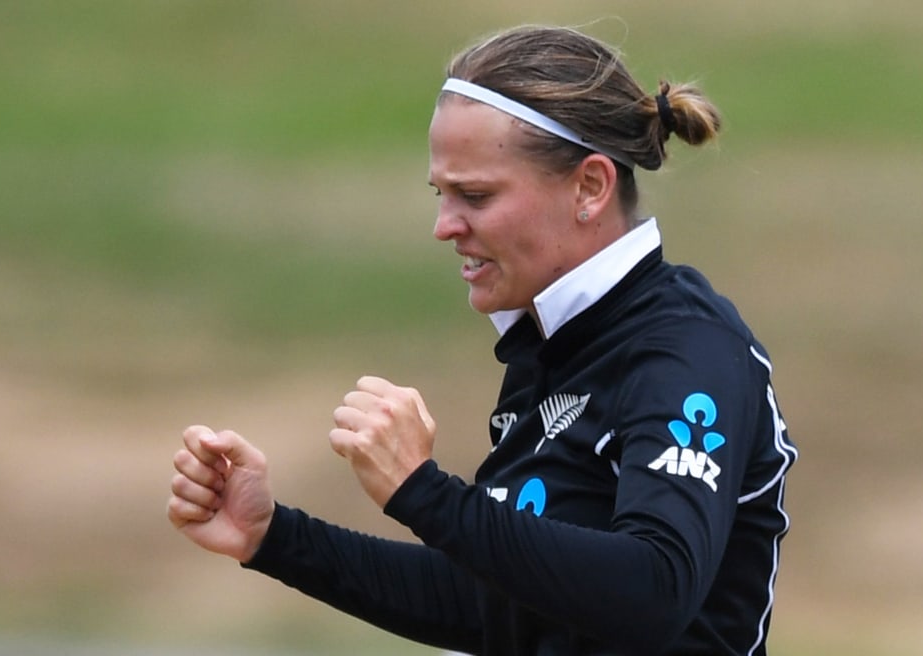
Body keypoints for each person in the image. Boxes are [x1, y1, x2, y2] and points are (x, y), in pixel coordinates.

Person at [167, 24, 798, 655]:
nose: (445, 226)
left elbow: (654, 592)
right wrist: (275, 537)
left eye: (476, 195)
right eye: (442, 195)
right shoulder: (554, 343)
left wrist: (424, 494)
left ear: (590, 187)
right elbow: (504, 605)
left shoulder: (685, 351)